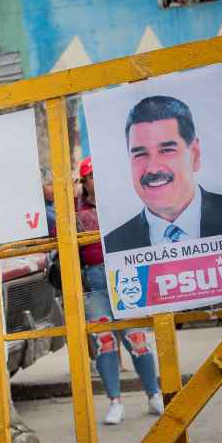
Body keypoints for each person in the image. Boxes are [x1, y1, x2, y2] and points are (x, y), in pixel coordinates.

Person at [103, 95, 222, 254]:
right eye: (140, 154)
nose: (153, 168)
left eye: (167, 150)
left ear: (194, 154)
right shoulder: (114, 246)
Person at [76, 157, 164, 425]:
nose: (97, 180)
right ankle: (115, 402)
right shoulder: (74, 210)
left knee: (137, 338)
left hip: (125, 274)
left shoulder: (122, 202)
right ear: (84, 181)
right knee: (104, 343)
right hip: (95, 282)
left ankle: (154, 394)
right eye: (92, 175)